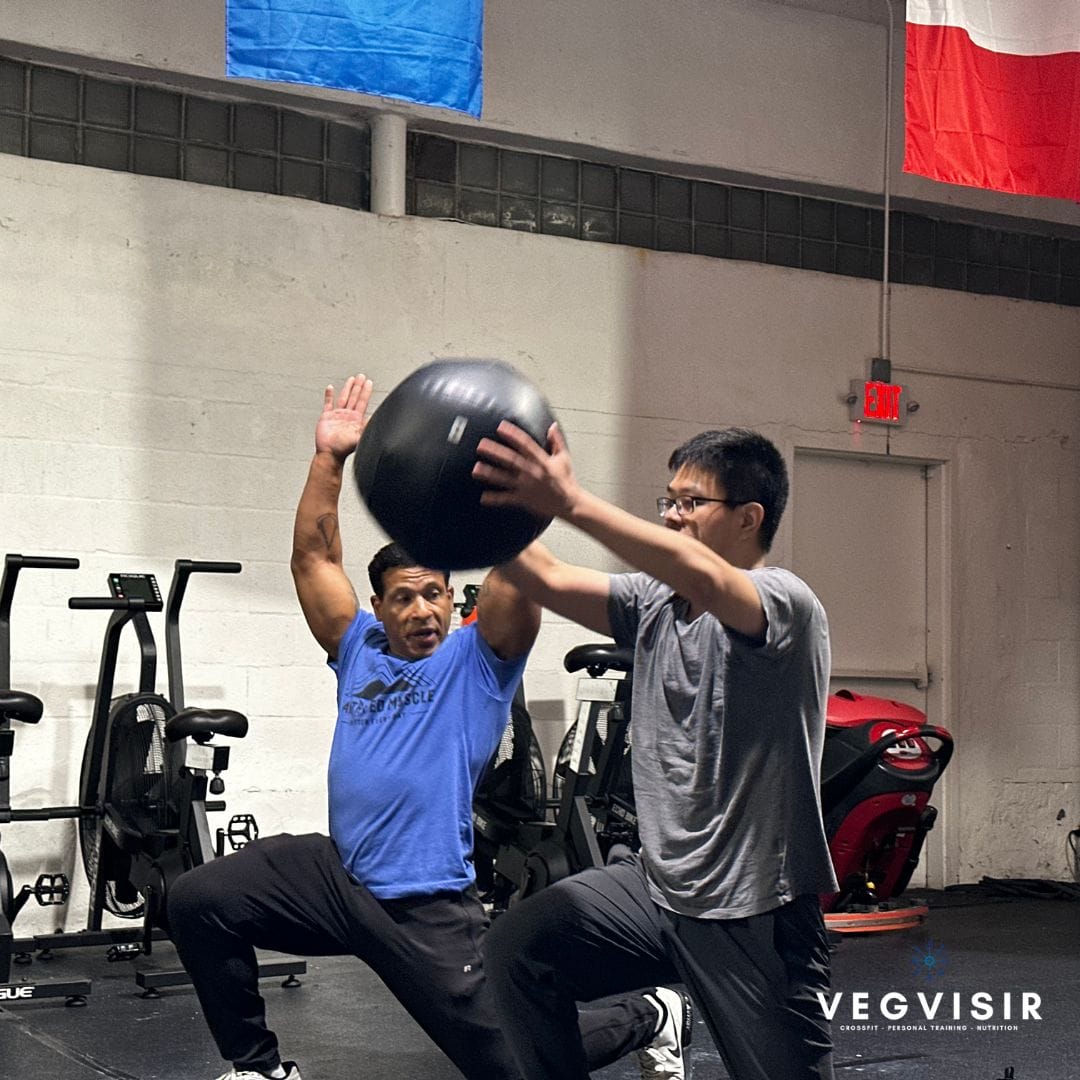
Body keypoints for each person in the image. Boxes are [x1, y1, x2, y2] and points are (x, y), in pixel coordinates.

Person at [168, 375, 690, 1080]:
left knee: (515, 1063)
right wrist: (329, 459)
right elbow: (314, 558)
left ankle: (652, 1014)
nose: (423, 612)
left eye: (435, 595)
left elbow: (518, 576)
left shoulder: (479, 660)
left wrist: (509, 493)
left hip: (425, 903)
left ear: (451, 597)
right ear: (378, 607)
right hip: (337, 876)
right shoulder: (357, 648)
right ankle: (259, 1069)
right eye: (405, 599)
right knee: (199, 899)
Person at [472, 421, 839, 1080]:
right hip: (658, 890)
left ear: (749, 517)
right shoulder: (655, 604)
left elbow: (709, 579)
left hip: (752, 912)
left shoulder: (786, 604)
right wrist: (467, 508)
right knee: (519, 948)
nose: (672, 514)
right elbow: (545, 575)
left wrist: (571, 502)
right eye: (668, 499)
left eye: (691, 502)